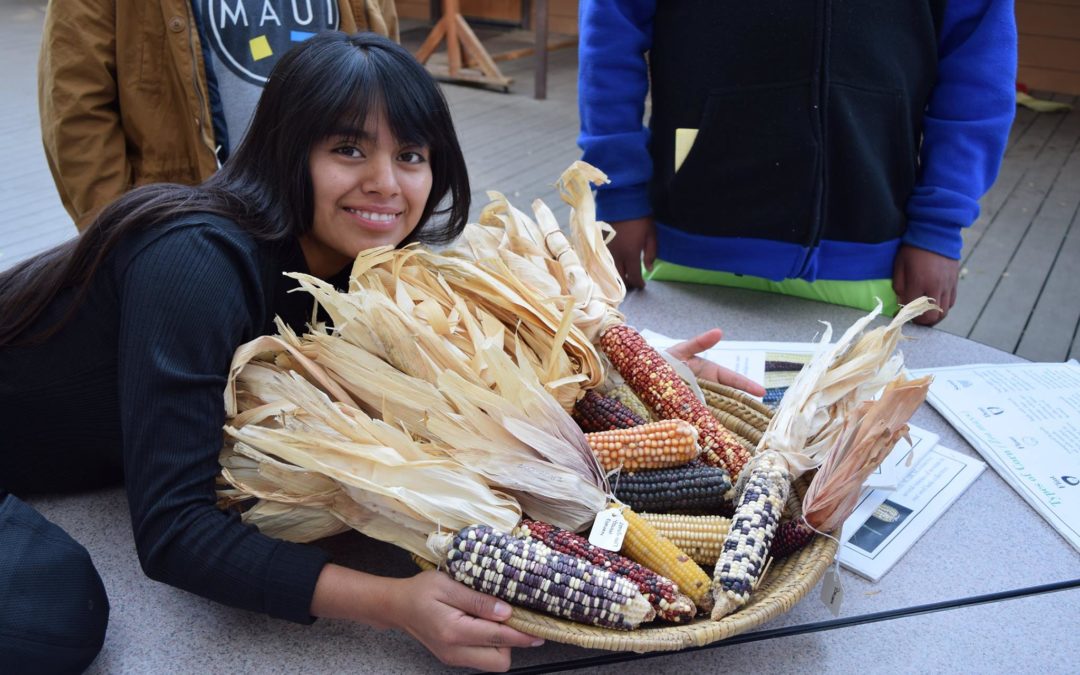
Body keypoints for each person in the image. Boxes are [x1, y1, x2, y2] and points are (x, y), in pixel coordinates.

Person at [6, 31, 761, 673]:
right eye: (347, 149)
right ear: (283, 152)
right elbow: (173, 530)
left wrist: (642, 368)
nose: (386, 184)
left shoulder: (357, 266)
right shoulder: (196, 263)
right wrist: (395, 605)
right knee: (57, 613)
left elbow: (487, 345)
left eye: (411, 154)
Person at [577, 0, 1017, 326]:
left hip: (873, 254)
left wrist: (939, 227)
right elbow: (610, 39)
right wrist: (621, 195)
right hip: (686, 245)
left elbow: (978, 71)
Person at [37, 0, 399, 232]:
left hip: (334, 221)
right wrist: (117, 235)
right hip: (187, 225)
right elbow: (76, 104)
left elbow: (389, 73)